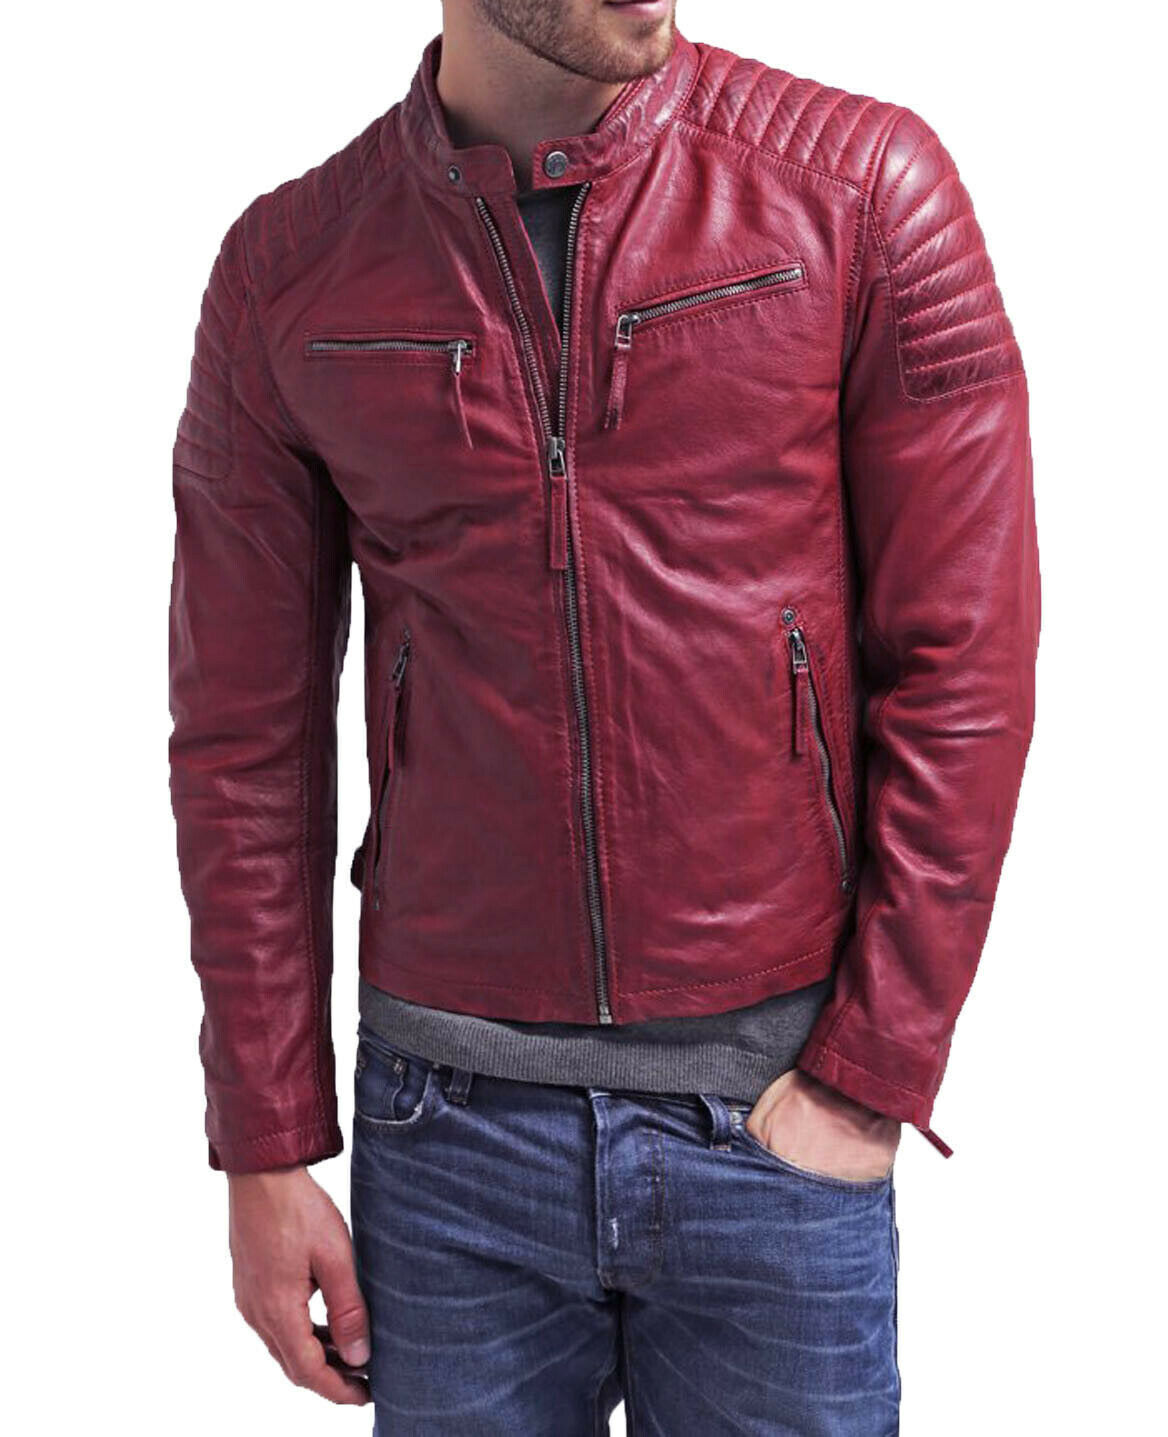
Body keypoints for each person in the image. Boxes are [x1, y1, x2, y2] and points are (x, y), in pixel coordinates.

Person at [168, 1, 1039, 1430]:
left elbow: (965, 667)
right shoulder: (288, 269)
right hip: (446, 1143)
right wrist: (264, 1140)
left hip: (778, 1117)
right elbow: (242, 740)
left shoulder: (866, 192)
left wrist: (871, 1072)